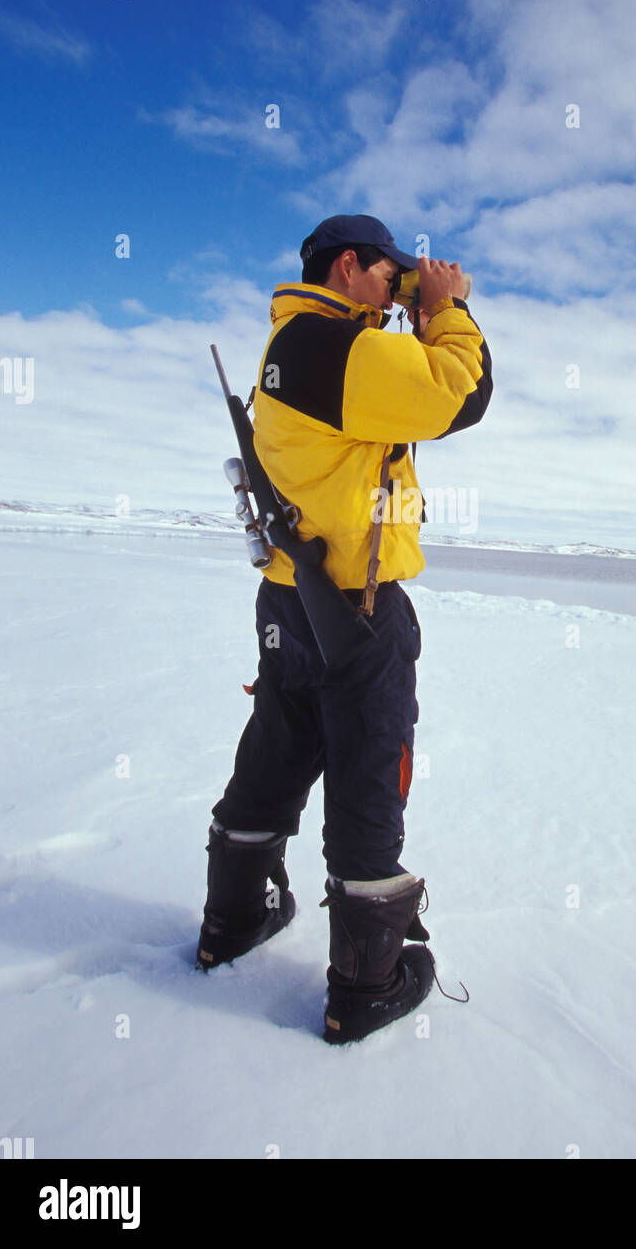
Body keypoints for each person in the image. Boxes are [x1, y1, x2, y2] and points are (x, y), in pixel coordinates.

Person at [196, 213, 493, 1044]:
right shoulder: (339, 348)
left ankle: (232, 922)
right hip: (356, 610)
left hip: (291, 598)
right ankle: (366, 986)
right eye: (387, 275)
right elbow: (459, 395)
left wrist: (404, 303)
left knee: (279, 747)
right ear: (349, 268)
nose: (396, 289)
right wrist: (448, 308)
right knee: (368, 763)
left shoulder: (291, 344)